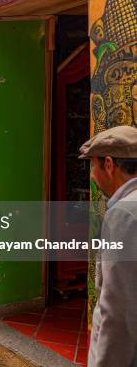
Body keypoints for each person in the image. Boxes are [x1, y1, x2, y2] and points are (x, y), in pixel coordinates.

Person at [79, 125, 137, 366]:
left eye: (93, 165)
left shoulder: (124, 215)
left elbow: (118, 312)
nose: (92, 175)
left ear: (109, 165)